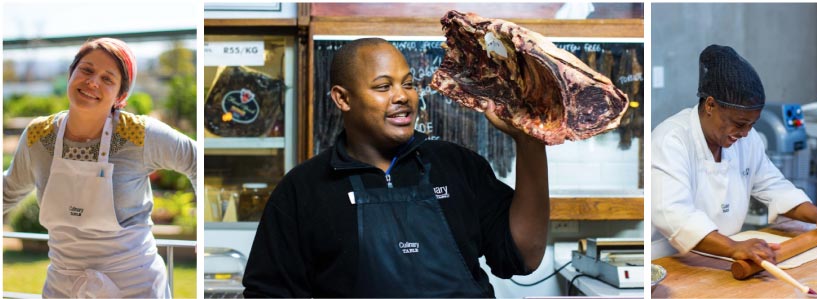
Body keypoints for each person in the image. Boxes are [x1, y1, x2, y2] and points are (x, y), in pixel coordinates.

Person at [242, 38, 549, 297]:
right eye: (383, 86)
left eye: (408, 84)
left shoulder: (457, 166)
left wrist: (530, 143)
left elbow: (523, 257)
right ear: (343, 98)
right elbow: (268, 292)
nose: (402, 96)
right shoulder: (303, 189)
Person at [3, 38, 197, 298]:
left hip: (134, 287)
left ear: (120, 95)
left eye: (108, 78)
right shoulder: (38, 136)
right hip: (64, 286)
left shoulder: (138, 134)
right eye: (87, 70)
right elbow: (8, 190)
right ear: (71, 73)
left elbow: (198, 159)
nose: (93, 82)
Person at [651, 44, 817, 263]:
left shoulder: (746, 139)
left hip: (723, 257)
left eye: (752, 124)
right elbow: (675, 215)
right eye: (739, 123)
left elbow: (774, 186)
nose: (745, 133)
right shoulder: (671, 139)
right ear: (710, 105)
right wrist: (733, 248)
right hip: (672, 261)